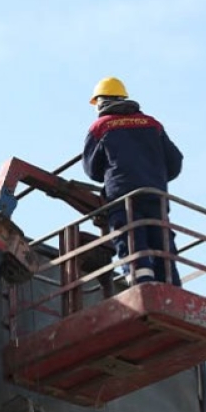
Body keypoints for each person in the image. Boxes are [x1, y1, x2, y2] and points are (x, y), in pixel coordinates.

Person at [82, 76, 183, 286]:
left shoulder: (100, 127)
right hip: (155, 193)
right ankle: (170, 285)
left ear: (101, 102)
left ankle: (141, 282)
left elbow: (92, 170)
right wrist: (156, 176)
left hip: (123, 195)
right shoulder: (152, 124)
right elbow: (175, 161)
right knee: (160, 237)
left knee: (131, 236)